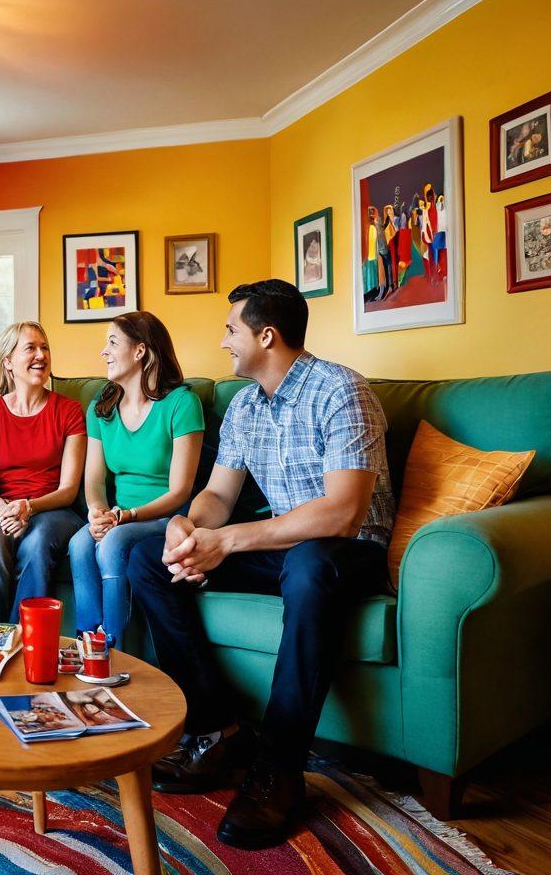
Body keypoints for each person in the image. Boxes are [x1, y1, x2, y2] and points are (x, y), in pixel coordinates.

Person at [126, 279, 394, 850]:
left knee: (310, 567)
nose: (223, 342)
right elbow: (219, 496)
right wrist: (190, 529)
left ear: (266, 336)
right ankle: (217, 730)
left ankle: (279, 769)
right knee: (147, 559)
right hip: (281, 548)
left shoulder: (341, 391)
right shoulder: (245, 404)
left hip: (348, 552)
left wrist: (230, 543)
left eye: (231, 330)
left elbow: (344, 513)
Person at [70, 311, 203, 645]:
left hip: (168, 515)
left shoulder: (182, 404)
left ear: (140, 351)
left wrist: (124, 518)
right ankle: (89, 641)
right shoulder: (102, 406)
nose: (104, 352)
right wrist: (99, 512)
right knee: (80, 542)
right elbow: (95, 480)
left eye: (112, 342)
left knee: (113, 541)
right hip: (118, 515)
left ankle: (114, 648)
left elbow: (180, 490)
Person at [0, 322, 87, 623]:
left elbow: (68, 489)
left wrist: (28, 508)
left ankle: (25, 640)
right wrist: (6, 510)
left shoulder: (69, 411)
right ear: (8, 362)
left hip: (51, 508)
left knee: (38, 538)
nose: (41, 355)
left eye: (44, 347)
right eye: (30, 348)